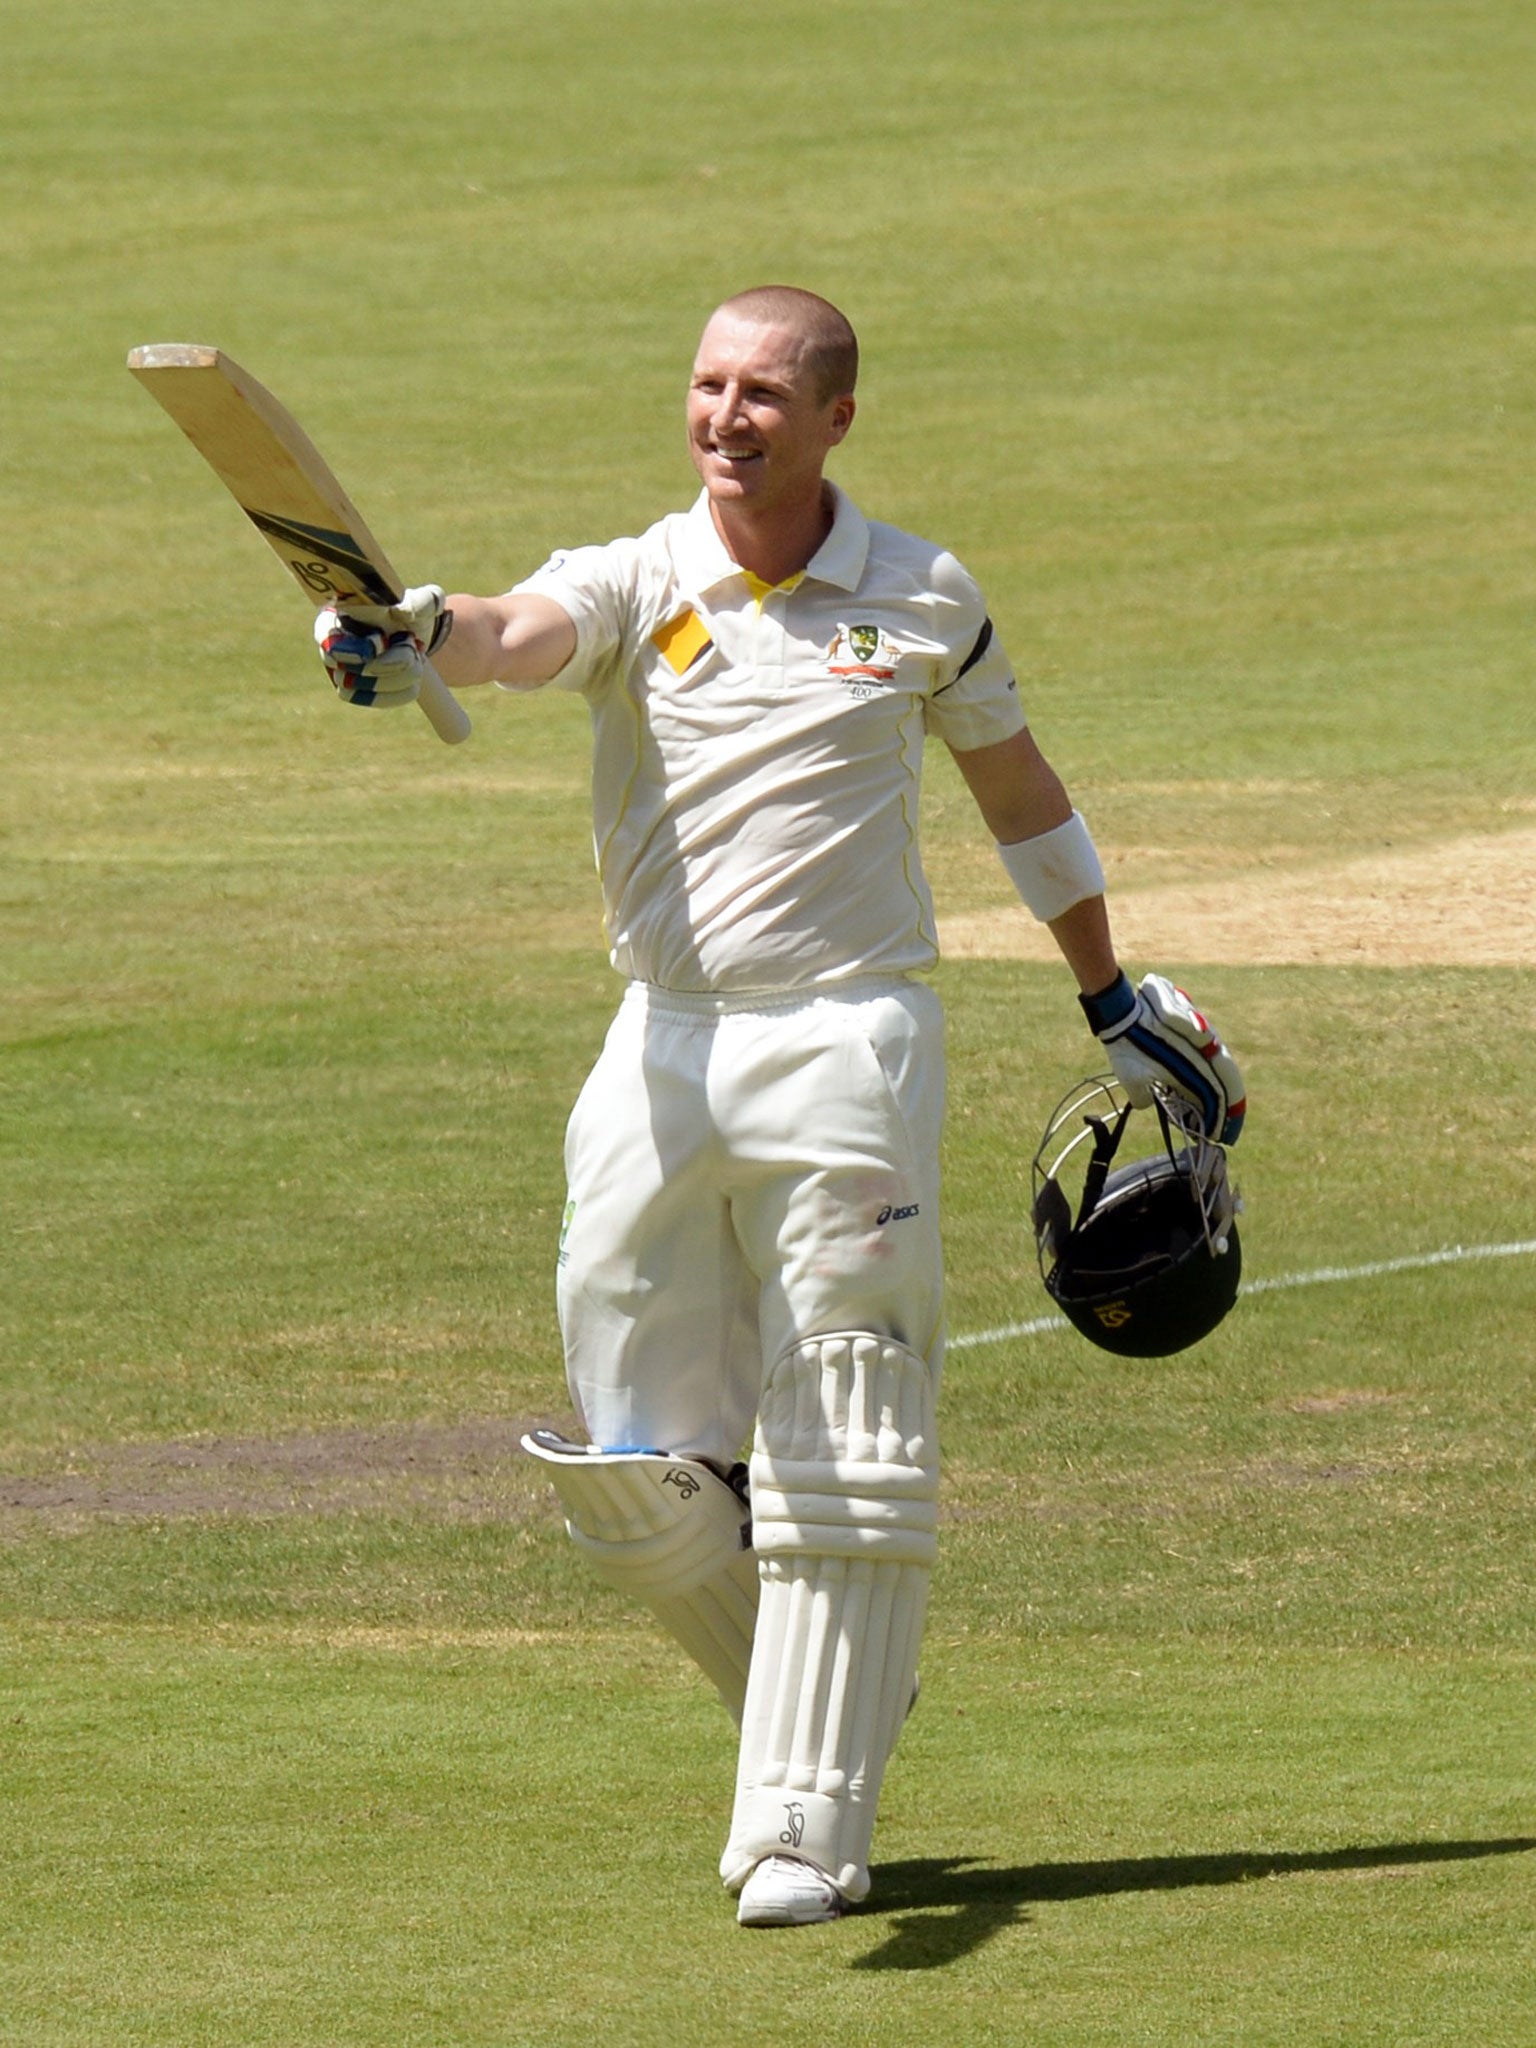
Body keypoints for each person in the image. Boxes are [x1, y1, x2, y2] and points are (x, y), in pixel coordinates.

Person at [313, 286, 1245, 1927]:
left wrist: (1108, 989)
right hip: (660, 1044)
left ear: (834, 420)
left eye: (762, 392)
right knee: (631, 1462)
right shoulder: (638, 577)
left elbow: (1020, 796)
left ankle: (807, 1825)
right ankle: (835, 1684)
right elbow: (517, 634)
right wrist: (419, 629)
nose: (725, 415)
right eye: (705, 384)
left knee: (843, 1409)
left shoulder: (922, 594)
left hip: (847, 1042)